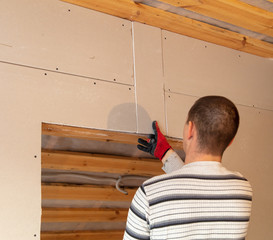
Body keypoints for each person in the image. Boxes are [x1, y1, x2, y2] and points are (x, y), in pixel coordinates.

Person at [123, 96, 252, 240]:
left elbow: (189, 187)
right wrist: (166, 155)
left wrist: (165, 153)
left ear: (190, 129)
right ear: (230, 142)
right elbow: (197, 186)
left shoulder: (150, 194)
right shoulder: (242, 189)